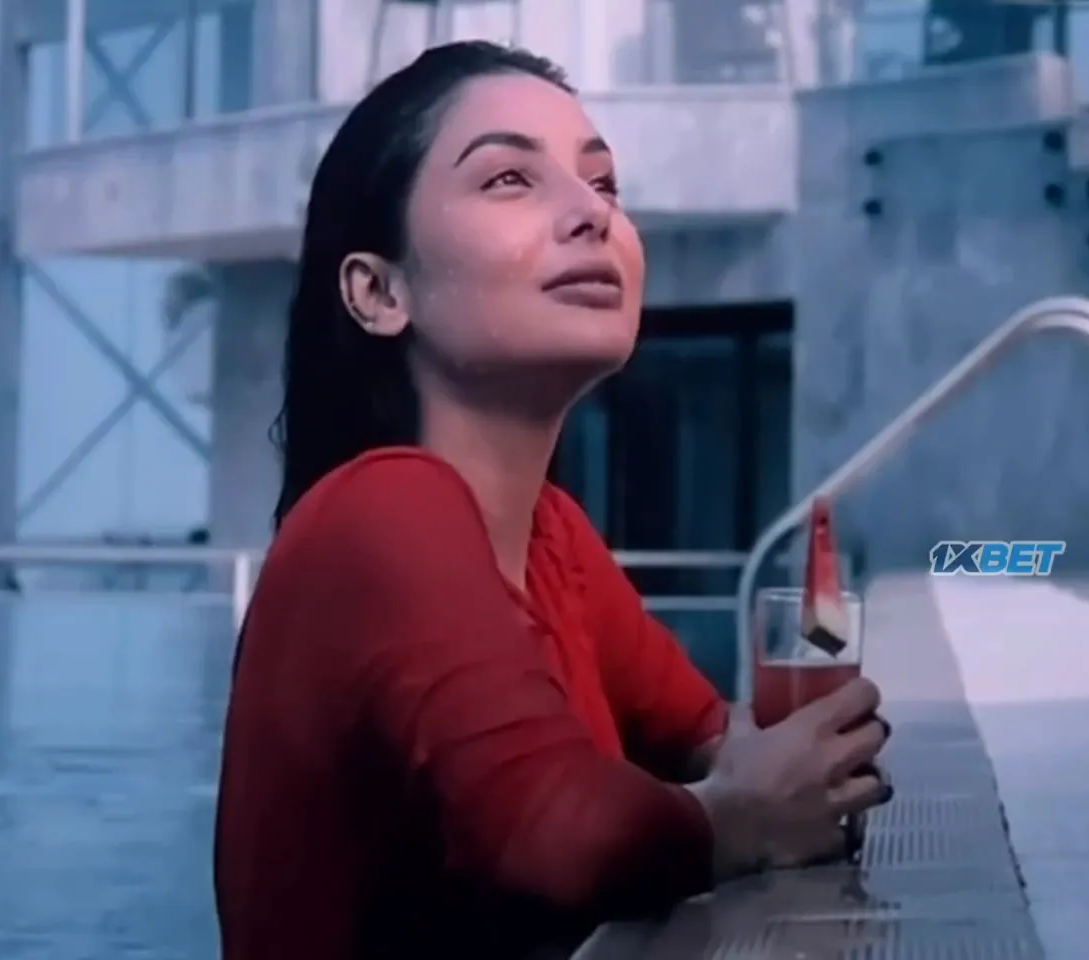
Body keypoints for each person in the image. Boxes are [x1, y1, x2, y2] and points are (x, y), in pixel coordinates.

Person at [212, 41, 892, 960]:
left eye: (604, 184)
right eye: (508, 180)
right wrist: (746, 819)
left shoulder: (552, 537)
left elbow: (713, 740)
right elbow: (560, 834)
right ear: (378, 291)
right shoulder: (377, 512)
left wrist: (781, 768)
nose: (591, 214)